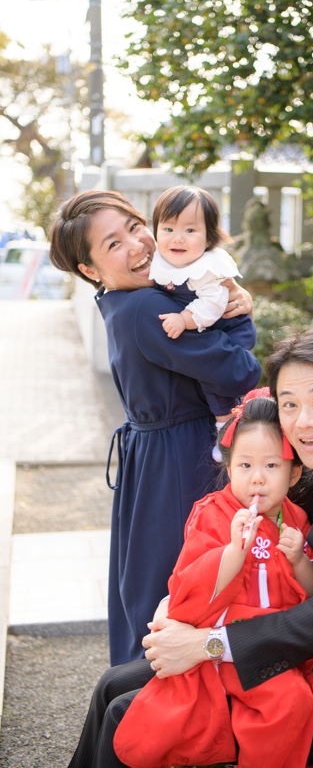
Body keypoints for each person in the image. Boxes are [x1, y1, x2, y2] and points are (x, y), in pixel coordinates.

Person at [64, 329, 313, 768]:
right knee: (112, 684)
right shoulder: (305, 474)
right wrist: (178, 608)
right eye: (290, 405)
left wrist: (207, 644)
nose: (304, 421)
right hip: (294, 658)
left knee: (126, 714)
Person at [48, 190, 261, 667]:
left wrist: (229, 297)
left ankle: (138, 694)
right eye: (113, 244)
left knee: (151, 582)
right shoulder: (147, 306)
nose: (138, 244)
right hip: (182, 457)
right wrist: (239, 312)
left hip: (153, 456)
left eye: (134, 226)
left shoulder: (125, 299)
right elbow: (240, 370)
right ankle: (167, 701)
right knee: (187, 583)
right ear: (89, 269)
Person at [111, 389, 313, 768]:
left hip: (270, 644)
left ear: (294, 473)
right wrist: (233, 552)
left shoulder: (297, 520)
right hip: (221, 642)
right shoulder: (212, 513)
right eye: (245, 465)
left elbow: (311, 592)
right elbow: (188, 583)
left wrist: (299, 560)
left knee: (292, 699)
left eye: (272, 466)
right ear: (228, 467)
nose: (257, 478)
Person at [149, 184, 251, 457]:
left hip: (225, 328)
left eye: (190, 230)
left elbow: (213, 304)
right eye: (168, 229)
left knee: (214, 380)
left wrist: (184, 319)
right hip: (203, 329)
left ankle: (226, 429)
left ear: (208, 239)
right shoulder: (160, 260)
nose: (177, 238)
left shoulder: (208, 268)